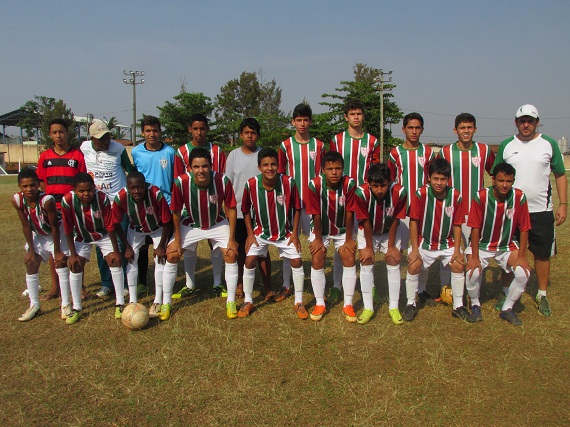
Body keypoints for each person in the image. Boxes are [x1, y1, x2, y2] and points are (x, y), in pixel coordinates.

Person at [494, 104, 567, 317]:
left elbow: (560, 175)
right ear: (516, 122)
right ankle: (506, 291)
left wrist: (563, 204)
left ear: (537, 122)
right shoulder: (507, 145)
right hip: (511, 210)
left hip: (541, 211)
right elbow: (498, 175)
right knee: (509, 252)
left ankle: (541, 294)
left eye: (531, 120)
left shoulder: (549, 144)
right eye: (522, 120)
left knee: (542, 254)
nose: (526, 124)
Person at [162, 147, 238, 320]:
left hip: (216, 222)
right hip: (191, 222)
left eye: (205, 166)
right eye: (196, 167)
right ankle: (166, 302)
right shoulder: (180, 182)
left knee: (231, 253)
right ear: (189, 167)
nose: (201, 170)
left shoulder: (222, 180)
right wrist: (177, 240)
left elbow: (231, 208)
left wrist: (232, 239)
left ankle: (231, 302)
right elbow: (175, 211)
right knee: (173, 254)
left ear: (211, 166)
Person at [240, 148, 305, 318]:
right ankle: (248, 300)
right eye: (265, 165)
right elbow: (245, 210)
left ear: (278, 165)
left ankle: (299, 301)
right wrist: (250, 234)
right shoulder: (251, 184)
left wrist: (295, 234)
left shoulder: (289, 182)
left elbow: (297, 208)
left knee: (297, 261)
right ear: (259, 167)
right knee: (249, 260)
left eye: (273, 164)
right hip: (260, 233)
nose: (270, 168)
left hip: (285, 233)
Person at [465, 162, 531, 326]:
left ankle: (507, 309)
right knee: (472, 272)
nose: (505, 185)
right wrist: (474, 257)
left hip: (506, 245)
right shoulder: (481, 196)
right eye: (501, 181)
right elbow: (475, 228)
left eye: (509, 181)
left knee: (523, 273)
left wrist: (521, 256)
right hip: (482, 245)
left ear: (513, 181)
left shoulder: (519, 197)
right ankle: (475, 304)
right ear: (493, 179)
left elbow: (524, 228)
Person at [404, 158, 469, 323]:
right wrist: (415, 249)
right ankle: (410, 303)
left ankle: (458, 306)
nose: (439, 183)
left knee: (458, 264)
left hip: (447, 243)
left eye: (443, 179)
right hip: (424, 241)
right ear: (429, 178)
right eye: (435, 179)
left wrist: (457, 251)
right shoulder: (421, 193)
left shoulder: (455, 195)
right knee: (414, 264)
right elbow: (414, 222)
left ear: (448, 179)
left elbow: (457, 224)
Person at [329, 100, 380, 303]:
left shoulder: (372, 141)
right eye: (352, 114)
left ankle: (370, 285)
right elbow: (331, 165)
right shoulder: (337, 140)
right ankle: (336, 285)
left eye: (359, 113)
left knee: (368, 242)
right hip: (343, 197)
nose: (356, 117)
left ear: (363, 116)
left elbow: (376, 171)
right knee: (341, 242)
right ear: (346, 117)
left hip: (366, 198)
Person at [174, 113, 227, 299]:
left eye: (202, 128)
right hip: (189, 207)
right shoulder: (181, 152)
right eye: (195, 128)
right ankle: (190, 284)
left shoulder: (217, 151)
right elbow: (179, 180)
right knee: (189, 247)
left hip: (212, 203)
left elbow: (220, 177)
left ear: (207, 129)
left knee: (217, 246)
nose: (199, 132)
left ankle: (218, 283)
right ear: (190, 129)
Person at [132, 116, 184, 297]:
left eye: (155, 130)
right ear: (142, 133)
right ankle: (141, 283)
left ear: (160, 131)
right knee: (143, 246)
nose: (152, 134)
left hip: (165, 204)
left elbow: (176, 180)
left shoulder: (170, 153)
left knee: (161, 246)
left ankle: (162, 284)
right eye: (148, 131)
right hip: (144, 205)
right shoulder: (137, 152)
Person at [61, 173, 123, 324]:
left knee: (114, 261)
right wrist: (73, 254)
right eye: (81, 191)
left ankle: (120, 303)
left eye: (89, 190)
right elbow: (68, 228)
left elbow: (110, 225)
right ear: (74, 190)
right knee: (75, 265)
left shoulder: (102, 198)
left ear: (94, 188)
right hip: (82, 237)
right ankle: (76, 307)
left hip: (103, 235)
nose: (86, 194)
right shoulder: (67, 200)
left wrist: (115, 250)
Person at [349, 163, 407, 324]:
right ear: (368, 183)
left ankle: (393, 307)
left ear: (390, 181)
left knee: (393, 260)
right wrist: (368, 247)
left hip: (389, 230)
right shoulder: (361, 193)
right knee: (366, 261)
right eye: (375, 186)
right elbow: (365, 220)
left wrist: (391, 246)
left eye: (383, 185)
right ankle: (368, 307)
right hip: (368, 230)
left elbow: (396, 218)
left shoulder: (400, 192)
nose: (380, 190)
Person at [277, 103, 324, 301]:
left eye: (306, 120)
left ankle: (316, 285)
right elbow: (280, 174)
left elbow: (323, 175)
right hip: (292, 205)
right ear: (293, 122)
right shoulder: (285, 145)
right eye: (299, 120)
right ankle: (287, 285)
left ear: (310, 121)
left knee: (315, 244)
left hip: (313, 205)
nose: (302, 124)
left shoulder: (319, 145)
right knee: (290, 245)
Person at [388, 112, 436, 304]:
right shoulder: (394, 153)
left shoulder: (429, 153)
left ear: (422, 130)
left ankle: (421, 289)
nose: (414, 131)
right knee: (400, 250)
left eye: (417, 128)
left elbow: (433, 180)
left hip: (423, 211)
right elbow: (391, 182)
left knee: (421, 251)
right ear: (403, 129)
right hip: (401, 211)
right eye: (410, 127)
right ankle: (400, 288)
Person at [36, 118, 86, 300]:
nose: (58, 135)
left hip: (72, 206)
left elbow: (82, 180)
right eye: (55, 132)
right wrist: (47, 200)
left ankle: (80, 285)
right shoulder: (45, 157)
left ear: (67, 133)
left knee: (76, 247)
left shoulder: (77, 156)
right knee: (54, 247)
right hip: (52, 208)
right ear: (50, 135)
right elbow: (41, 181)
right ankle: (55, 286)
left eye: (61, 132)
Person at [82, 121, 133, 298]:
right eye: (101, 139)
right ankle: (106, 283)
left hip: (117, 203)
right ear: (92, 139)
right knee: (101, 244)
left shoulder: (118, 149)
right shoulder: (84, 148)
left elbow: (130, 170)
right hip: (96, 205)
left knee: (121, 242)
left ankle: (125, 282)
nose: (105, 141)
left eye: (107, 137)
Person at [13, 168, 71, 321]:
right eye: (25, 186)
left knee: (60, 263)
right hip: (38, 233)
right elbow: (26, 225)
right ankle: (34, 305)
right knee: (31, 262)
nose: (29, 189)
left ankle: (65, 304)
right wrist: (31, 250)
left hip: (56, 233)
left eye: (32, 185)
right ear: (19, 186)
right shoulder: (17, 200)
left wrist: (57, 251)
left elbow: (54, 226)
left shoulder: (47, 200)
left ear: (38, 185)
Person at [113, 171, 172, 318]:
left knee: (160, 260)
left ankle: (158, 300)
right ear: (127, 187)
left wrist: (161, 246)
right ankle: (132, 301)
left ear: (145, 185)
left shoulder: (156, 194)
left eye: (140, 187)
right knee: (131, 259)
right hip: (135, 230)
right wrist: (126, 246)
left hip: (157, 228)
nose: (136, 191)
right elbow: (116, 224)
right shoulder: (120, 197)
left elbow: (167, 221)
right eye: (132, 188)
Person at [306, 151, 357, 321]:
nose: (334, 172)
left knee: (348, 256)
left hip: (343, 229)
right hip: (322, 229)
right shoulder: (314, 185)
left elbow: (350, 212)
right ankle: (320, 303)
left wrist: (349, 239)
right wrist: (319, 239)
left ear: (343, 169)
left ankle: (348, 304)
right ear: (323, 170)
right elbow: (316, 214)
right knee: (318, 257)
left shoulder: (349, 184)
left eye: (338, 168)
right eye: (330, 168)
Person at [224, 118, 272, 298]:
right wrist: (227, 209)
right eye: (246, 133)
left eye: (253, 132)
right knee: (241, 250)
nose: (249, 136)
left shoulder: (263, 155)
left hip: (260, 212)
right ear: (241, 135)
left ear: (258, 135)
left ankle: (267, 287)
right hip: (237, 210)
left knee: (261, 251)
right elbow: (227, 184)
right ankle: (240, 284)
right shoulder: (233, 156)